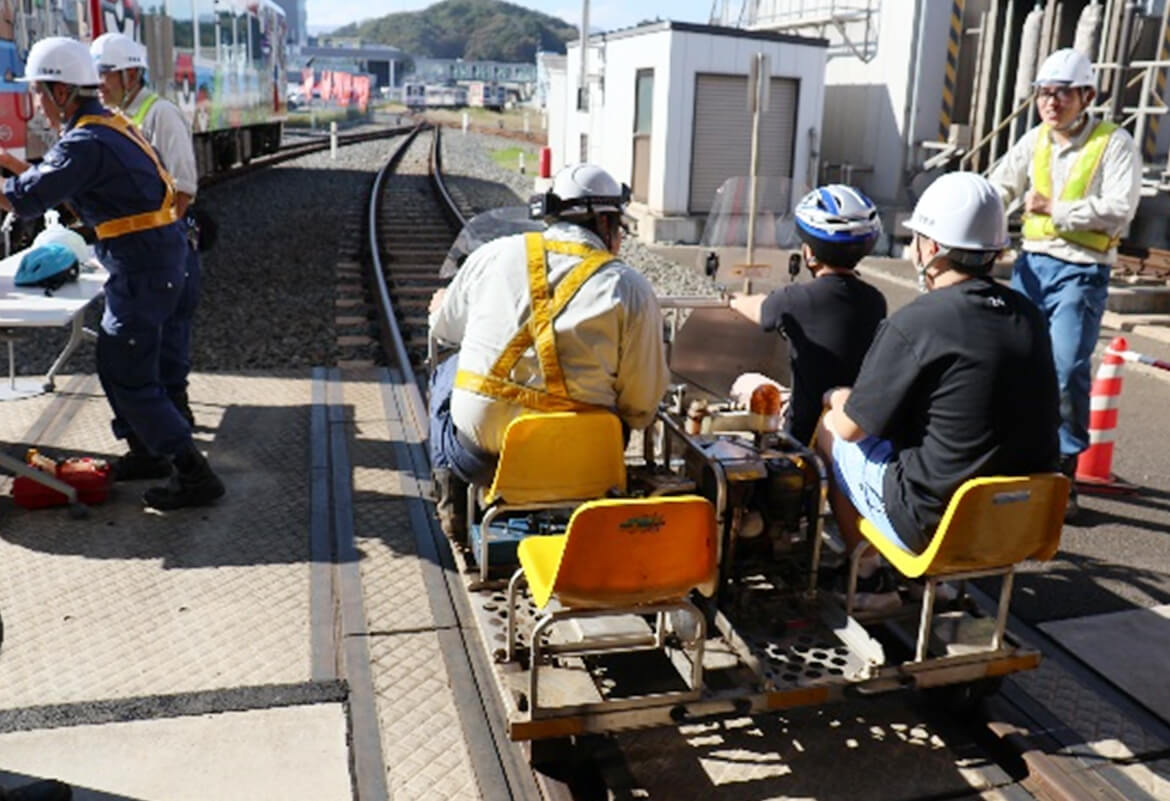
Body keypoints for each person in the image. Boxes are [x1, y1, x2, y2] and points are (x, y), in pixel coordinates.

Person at [813, 172, 1060, 611]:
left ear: (931, 249)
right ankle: (932, 583)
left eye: (916, 239)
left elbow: (853, 427)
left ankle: (870, 579)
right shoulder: (1030, 316)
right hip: (1019, 522)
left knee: (830, 431)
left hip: (933, 524)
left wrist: (834, 396)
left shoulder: (919, 320)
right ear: (995, 250)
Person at [0, 37, 223, 509]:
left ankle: (194, 473)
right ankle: (148, 453)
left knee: (130, 370)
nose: (37, 104)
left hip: (145, 267)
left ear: (61, 92)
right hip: (148, 262)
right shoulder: (105, 125)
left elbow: (25, 199)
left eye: (39, 92)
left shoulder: (86, 140)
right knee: (118, 363)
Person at [428, 163, 668, 537]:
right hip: (587, 462)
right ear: (605, 224)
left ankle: (453, 502)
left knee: (447, 372)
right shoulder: (629, 287)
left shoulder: (493, 255)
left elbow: (445, 329)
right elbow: (641, 404)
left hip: (485, 458)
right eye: (619, 227)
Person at [988, 47, 1141, 520]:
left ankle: (1063, 468)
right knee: (1018, 361)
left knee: (1064, 368)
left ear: (1087, 95)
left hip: (1081, 269)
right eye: (1043, 94)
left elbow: (1122, 206)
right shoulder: (1035, 139)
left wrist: (1056, 210)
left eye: (1062, 94)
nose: (1051, 103)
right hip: (1032, 266)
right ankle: (1018, 457)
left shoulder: (1114, 144)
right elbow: (1000, 185)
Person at [91, 32, 202, 478]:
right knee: (150, 350)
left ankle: (177, 447)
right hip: (152, 253)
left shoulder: (160, 114)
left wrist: (157, 243)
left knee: (168, 349)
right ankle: (157, 446)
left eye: (104, 74)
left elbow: (185, 189)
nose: (98, 84)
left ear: (129, 73)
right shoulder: (116, 115)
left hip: (169, 252)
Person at [729, 184, 887, 445]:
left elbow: (761, 309)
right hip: (847, 424)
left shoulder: (794, 299)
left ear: (809, 253)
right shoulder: (875, 300)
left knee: (745, 382)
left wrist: (732, 300)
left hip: (802, 434)